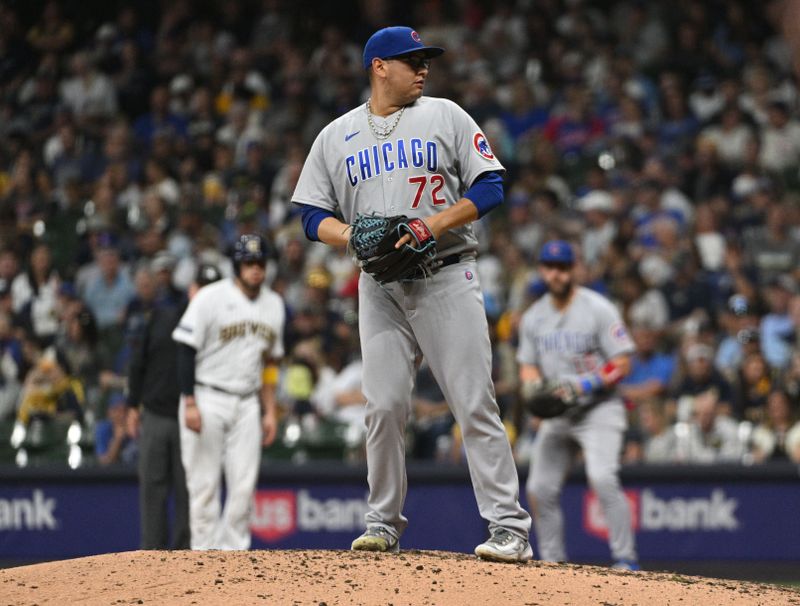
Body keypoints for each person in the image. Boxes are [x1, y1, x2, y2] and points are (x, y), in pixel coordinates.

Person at [291, 26, 532, 562]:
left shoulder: (444, 114)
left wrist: (432, 224)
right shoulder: (336, 135)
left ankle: (509, 528)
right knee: (384, 406)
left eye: (425, 60)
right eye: (411, 60)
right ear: (379, 66)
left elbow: (490, 186)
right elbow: (311, 215)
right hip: (379, 285)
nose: (423, 68)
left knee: (474, 403)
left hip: (446, 272)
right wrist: (350, 235)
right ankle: (382, 523)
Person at [517, 240, 639, 570]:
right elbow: (527, 365)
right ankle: (554, 563)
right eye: (550, 267)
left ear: (575, 270)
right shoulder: (533, 318)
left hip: (600, 408)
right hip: (559, 413)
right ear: (542, 270)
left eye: (563, 267)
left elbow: (623, 362)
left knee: (602, 477)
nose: (556, 274)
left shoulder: (598, 308)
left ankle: (625, 558)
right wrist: (532, 388)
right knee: (539, 488)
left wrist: (586, 384)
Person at [172, 235, 284, 550]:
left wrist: (270, 410)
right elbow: (184, 351)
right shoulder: (209, 297)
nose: (255, 269)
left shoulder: (274, 304)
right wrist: (189, 401)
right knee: (204, 485)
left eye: (260, 263)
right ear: (236, 266)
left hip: (248, 402)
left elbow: (270, 364)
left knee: (244, 487)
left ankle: (235, 560)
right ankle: (204, 556)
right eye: (249, 263)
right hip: (207, 397)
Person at [126, 263, 222, 550]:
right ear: (192, 291)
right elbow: (137, 361)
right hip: (156, 413)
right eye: (200, 289)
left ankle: (185, 558)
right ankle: (150, 556)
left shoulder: (219, 329)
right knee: (153, 488)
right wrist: (132, 405)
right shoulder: (163, 317)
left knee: (190, 490)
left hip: (195, 417)